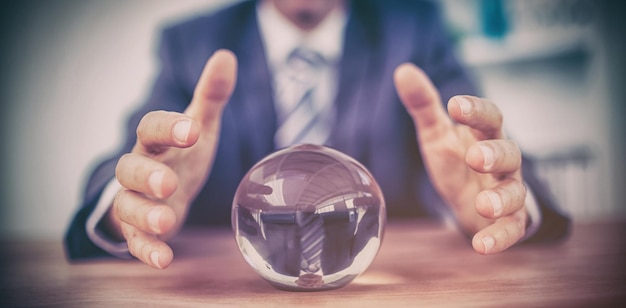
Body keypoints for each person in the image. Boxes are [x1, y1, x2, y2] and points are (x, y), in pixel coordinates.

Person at [65, 0, 570, 269]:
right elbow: (127, 163)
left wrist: (497, 200)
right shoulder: (191, 42)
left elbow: (503, 163)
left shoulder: (414, 25)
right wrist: (131, 203)